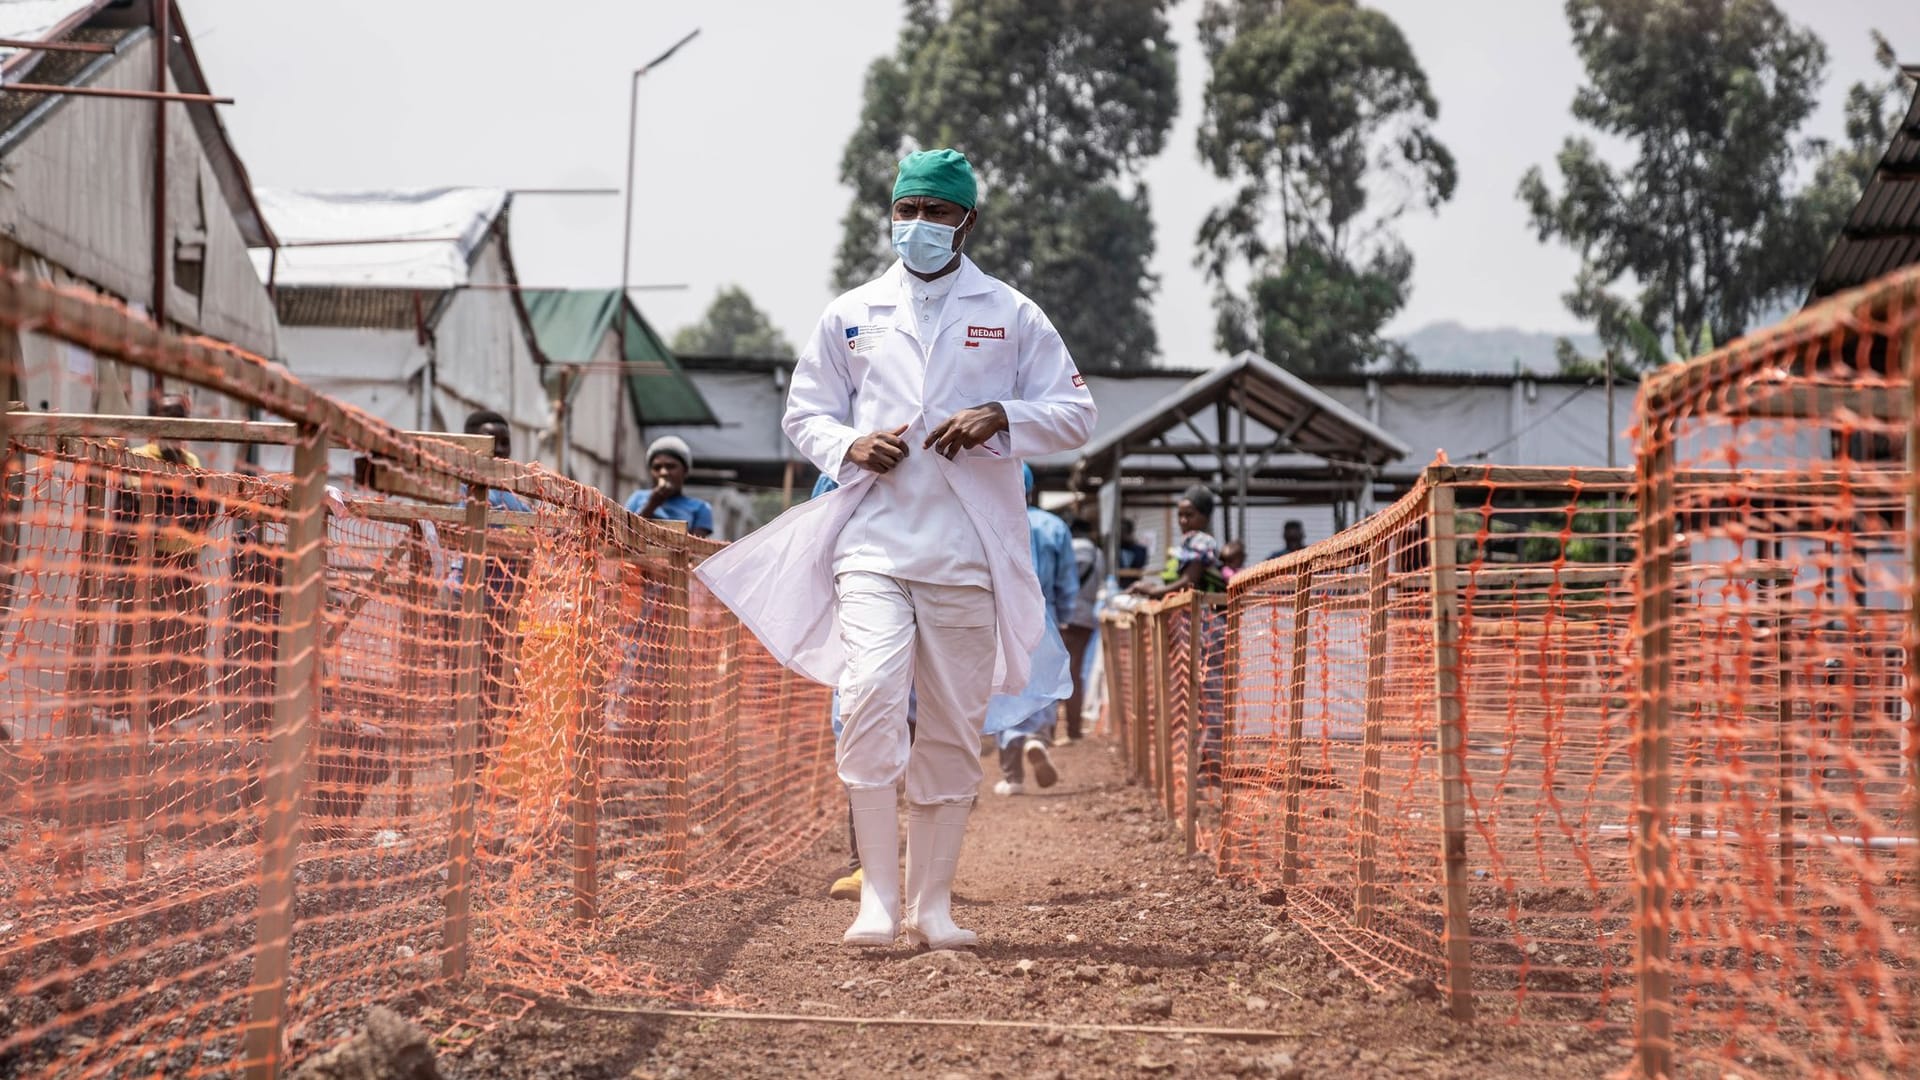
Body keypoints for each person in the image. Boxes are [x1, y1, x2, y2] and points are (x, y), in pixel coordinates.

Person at [695, 147, 1096, 949]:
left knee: (952, 724)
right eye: (905, 209)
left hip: (970, 555)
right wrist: (848, 446)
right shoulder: (850, 313)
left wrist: (1001, 416)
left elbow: (1076, 414)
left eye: (935, 212)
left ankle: (934, 905)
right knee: (873, 694)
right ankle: (876, 900)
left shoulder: (1012, 313)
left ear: (967, 222)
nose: (916, 225)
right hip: (873, 544)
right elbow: (805, 412)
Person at [108, 393, 213, 731]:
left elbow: (201, 516)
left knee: (182, 650)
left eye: (179, 423)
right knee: (139, 648)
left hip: (184, 573)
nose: (173, 432)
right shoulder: (136, 461)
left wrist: (181, 517)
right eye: (167, 422)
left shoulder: (193, 464)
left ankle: (168, 723)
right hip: (145, 572)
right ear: (153, 427)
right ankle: (134, 725)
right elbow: (126, 521)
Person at [1130, 486, 1229, 779]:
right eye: (1181, 515)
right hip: (1188, 624)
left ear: (1205, 516)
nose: (1184, 520)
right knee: (1195, 691)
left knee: (1210, 689)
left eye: (1190, 514)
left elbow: (1189, 581)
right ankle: (1202, 757)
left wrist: (1153, 591)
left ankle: (1212, 761)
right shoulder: (1187, 542)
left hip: (1205, 625)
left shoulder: (1200, 542)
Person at [452, 410, 533, 756]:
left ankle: (489, 753)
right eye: (490, 443)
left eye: (505, 444)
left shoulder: (513, 493)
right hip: (468, 596)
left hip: (506, 600)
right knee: (471, 678)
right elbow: (464, 532)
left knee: (502, 680)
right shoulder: (463, 488)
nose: (499, 451)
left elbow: (532, 531)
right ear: (470, 447)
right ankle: (469, 755)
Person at [992, 465, 1075, 795]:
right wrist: (1065, 616)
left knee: (1004, 687)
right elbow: (1068, 580)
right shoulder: (1054, 526)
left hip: (1002, 616)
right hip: (1044, 615)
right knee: (1042, 683)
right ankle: (1038, 739)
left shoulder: (993, 522)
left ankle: (1013, 774)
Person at [1060, 517, 1104, 741]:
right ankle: (1074, 730)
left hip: (1066, 615)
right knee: (1076, 673)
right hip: (1087, 617)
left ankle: (1051, 732)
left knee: (1062, 672)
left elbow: (1061, 581)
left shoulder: (1067, 547)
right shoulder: (1098, 554)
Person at [624, 435, 714, 538]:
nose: (663, 472)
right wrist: (651, 505)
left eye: (670, 466)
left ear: (685, 471)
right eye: (657, 467)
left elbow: (696, 548)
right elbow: (626, 535)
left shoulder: (701, 508)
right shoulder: (637, 498)